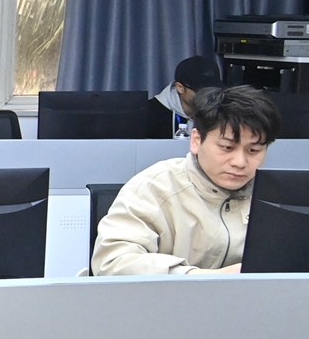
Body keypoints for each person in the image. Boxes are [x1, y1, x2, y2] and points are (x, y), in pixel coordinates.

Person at [93, 84, 278, 276]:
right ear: (196, 140)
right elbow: (113, 263)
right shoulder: (154, 187)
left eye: (253, 150)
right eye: (227, 147)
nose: (240, 162)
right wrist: (198, 278)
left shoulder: (274, 195)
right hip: (170, 295)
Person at [149, 55, 225, 139]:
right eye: (200, 91)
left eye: (213, 91)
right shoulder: (150, 114)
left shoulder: (220, 112)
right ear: (180, 87)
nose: (208, 96)